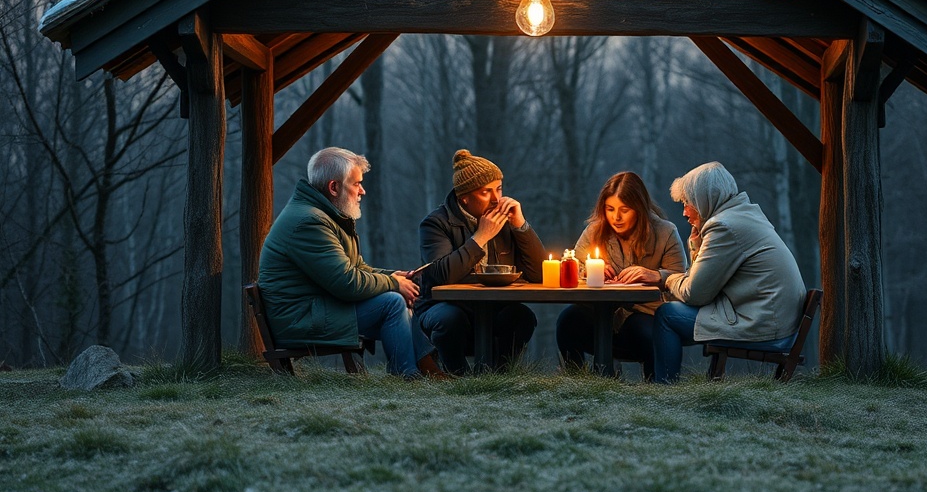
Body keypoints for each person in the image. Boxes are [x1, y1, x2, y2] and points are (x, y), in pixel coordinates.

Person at [258, 147, 440, 379]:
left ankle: (423, 368)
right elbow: (347, 282)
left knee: (397, 297)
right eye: (356, 184)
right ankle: (408, 374)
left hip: (316, 308)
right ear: (334, 187)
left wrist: (396, 276)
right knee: (392, 302)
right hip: (299, 319)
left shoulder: (324, 215)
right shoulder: (309, 223)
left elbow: (356, 268)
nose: (362, 191)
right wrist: (393, 284)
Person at [653, 161, 806, 383]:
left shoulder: (724, 226)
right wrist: (696, 246)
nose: (685, 212)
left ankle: (663, 389)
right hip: (774, 320)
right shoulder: (742, 215)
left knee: (666, 315)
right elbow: (704, 283)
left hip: (764, 326)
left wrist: (664, 278)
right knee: (673, 313)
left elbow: (695, 294)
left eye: (687, 203)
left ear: (704, 199)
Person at [416, 149, 546, 375]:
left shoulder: (505, 220)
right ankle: (459, 378)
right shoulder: (436, 224)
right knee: (450, 319)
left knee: (522, 316)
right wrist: (481, 237)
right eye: (486, 192)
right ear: (464, 197)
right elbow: (440, 275)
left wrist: (521, 225)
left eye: (499, 189)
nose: (496, 199)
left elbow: (539, 274)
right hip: (444, 308)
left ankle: (497, 378)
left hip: (493, 306)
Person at [556, 171, 687, 380]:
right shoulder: (595, 231)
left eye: (624, 210)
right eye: (610, 209)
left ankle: (656, 388)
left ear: (639, 208)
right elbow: (574, 262)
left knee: (647, 333)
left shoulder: (665, 232)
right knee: (568, 320)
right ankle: (576, 382)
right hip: (602, 310)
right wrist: (588, 269)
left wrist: (656, 275)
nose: (616, 217)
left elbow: (682, 279)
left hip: (645, 313)